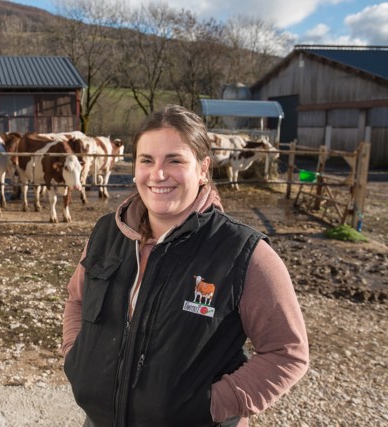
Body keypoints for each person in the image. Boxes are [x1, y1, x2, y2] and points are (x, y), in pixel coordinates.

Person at [62, 104, 309, 427]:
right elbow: (77, 299)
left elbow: (287, 352)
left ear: (203, 168)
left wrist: (212, 405)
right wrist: (76, 359)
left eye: (175, 160)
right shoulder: (107, 233)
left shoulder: (242, 252)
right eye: (146, 160)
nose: (158, 174)